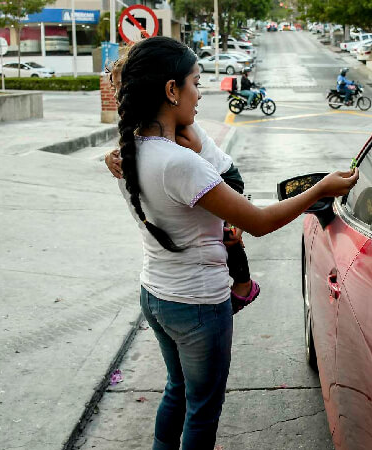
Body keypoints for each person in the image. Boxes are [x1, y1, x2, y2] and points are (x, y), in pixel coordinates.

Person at [114, 36, 358, 449]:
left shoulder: (127, 153)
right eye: (195, 81)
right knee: (202, 409)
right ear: (171, 90)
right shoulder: (179, 163)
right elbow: (258, 221)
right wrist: (319, 189)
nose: (201, 91)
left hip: (155, 294)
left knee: (177, 388)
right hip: (196, 305)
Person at [107, 55, 260, 313]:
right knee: (222, 233)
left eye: (125, 84)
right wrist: (110, 157)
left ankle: (244, 283)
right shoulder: (140, 121)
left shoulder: (174, 117)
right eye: (116, 87)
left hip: (222, 175)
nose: (121, 92)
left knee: (228, 235)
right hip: (200, 180)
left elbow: (193, 147)